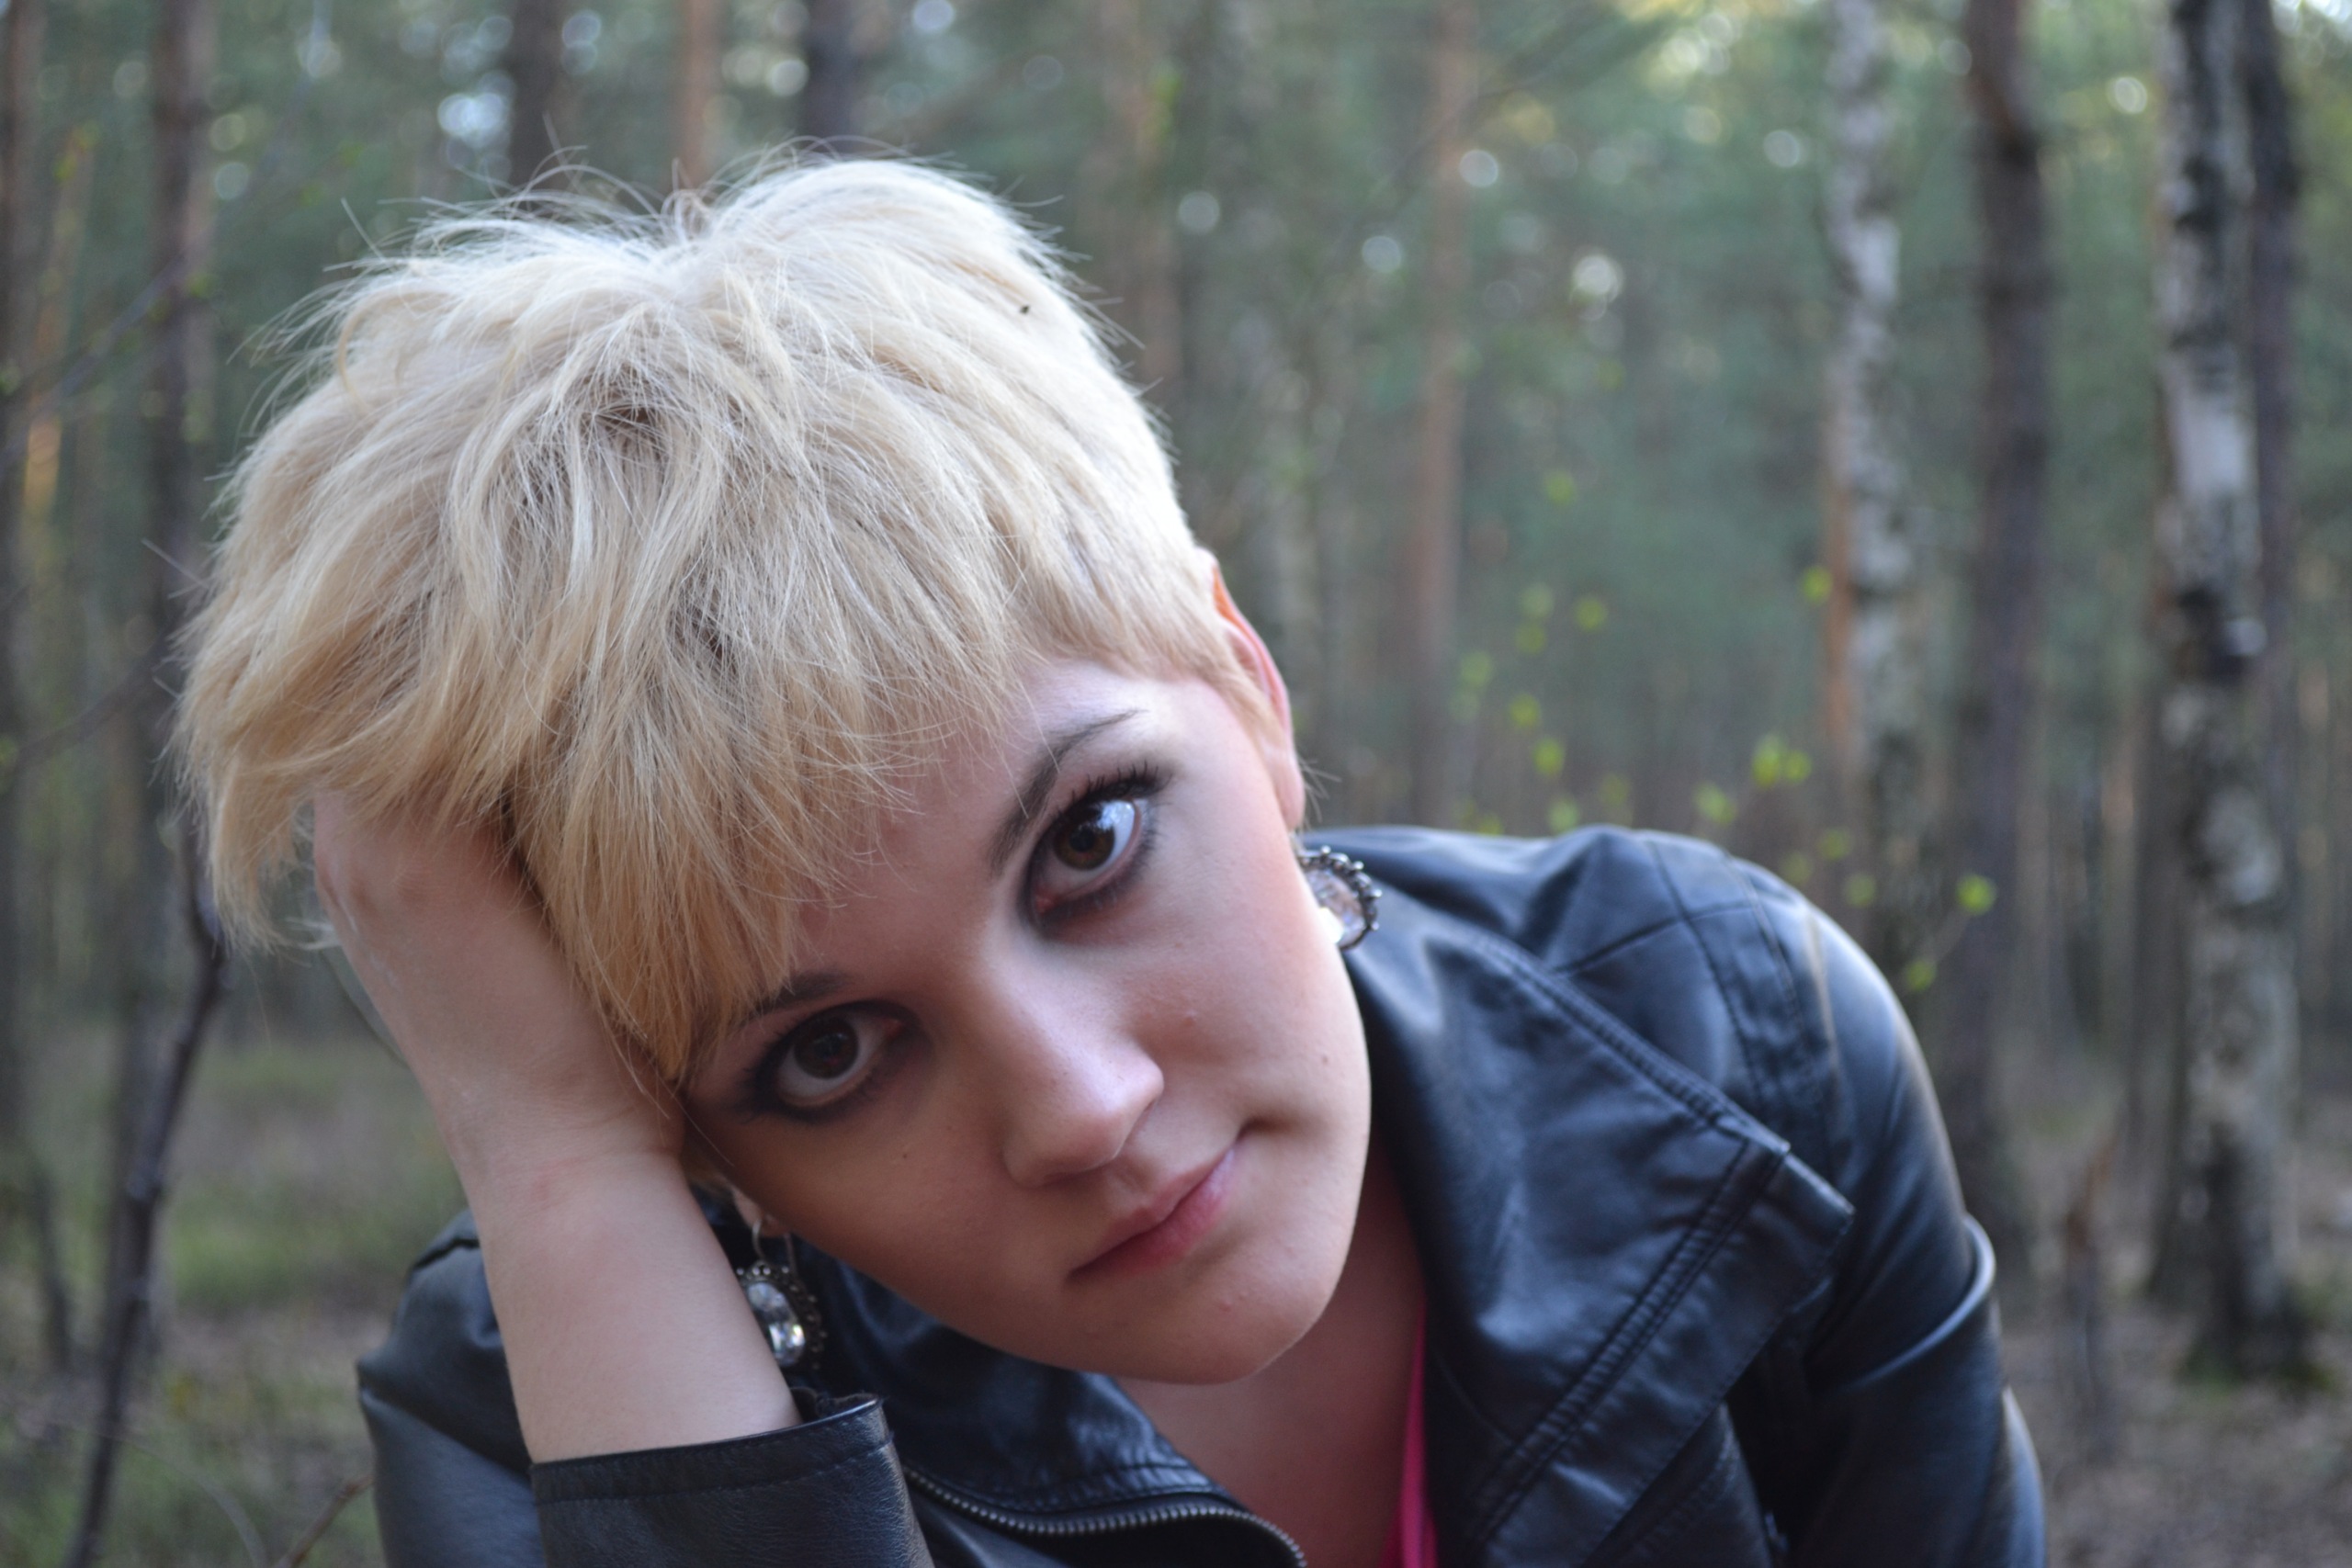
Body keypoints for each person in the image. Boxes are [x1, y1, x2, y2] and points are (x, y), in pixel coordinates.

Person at [175, 159, 2043, 1568]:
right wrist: (565, 1168)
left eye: (1090, 841)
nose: (1079, 1107)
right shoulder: (545, 1362)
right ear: (699, 1141)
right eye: (826, 1052)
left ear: (1247, 684)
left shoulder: (1725, 1035)